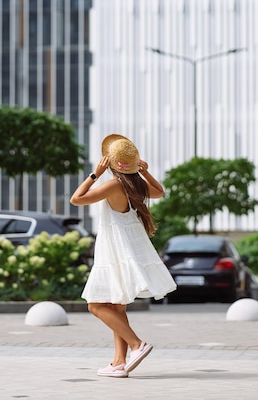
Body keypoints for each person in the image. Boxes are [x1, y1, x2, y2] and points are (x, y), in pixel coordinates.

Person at [70, 133, 177, 378]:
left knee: (96, 305)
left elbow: (76, 199)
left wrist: (94, 174)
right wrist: (145, 172)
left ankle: (137, 344)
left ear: (110, 162)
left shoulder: (113, 185)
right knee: (116, 307)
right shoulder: (136, 184)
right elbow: (160, 192)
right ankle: (119, 362)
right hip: (131, 247)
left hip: (116, 249)